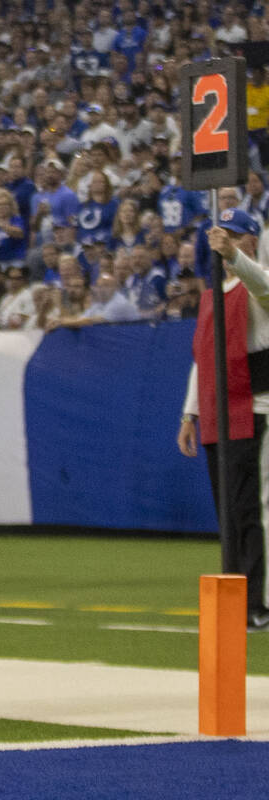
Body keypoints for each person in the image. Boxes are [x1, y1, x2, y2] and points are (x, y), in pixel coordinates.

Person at [178, 209, 269, 631]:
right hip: (221, 415)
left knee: (255, 509)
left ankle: (259, 600)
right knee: (229, 512)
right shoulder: (213, 295)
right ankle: (237, 592)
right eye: (221, 236)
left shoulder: (255, 286)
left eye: (235, 236)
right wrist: (189, 412)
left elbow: (261, 283)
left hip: (255, 411)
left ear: (251, 240)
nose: (225, 242)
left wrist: (235, 258)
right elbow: (204, 357)